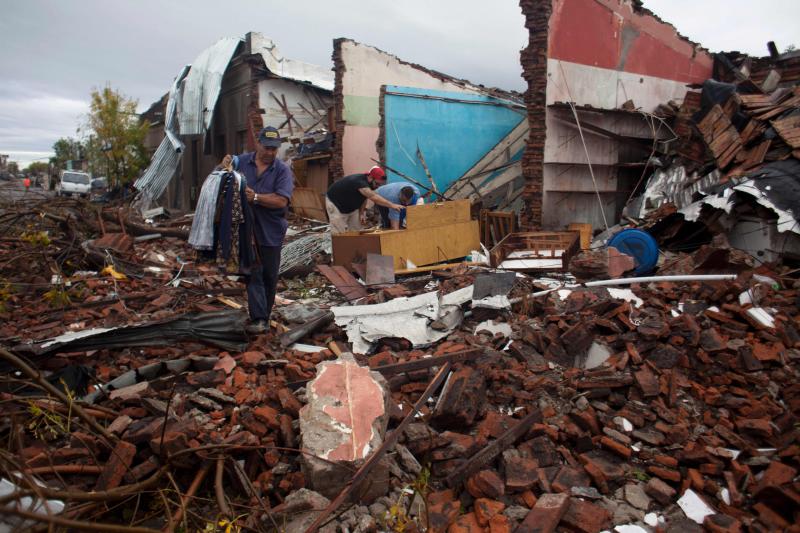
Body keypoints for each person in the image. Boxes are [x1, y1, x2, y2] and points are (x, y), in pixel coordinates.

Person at [220, 126, 294, 334]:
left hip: (271, 230)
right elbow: (221, 173)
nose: (270, 152)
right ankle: (259, 319)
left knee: (270, 276)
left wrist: (256, 197)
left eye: (274, 149)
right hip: (246, 230)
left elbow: (281, 200)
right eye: (267, 147)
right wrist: (223, 163)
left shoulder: (282, 170)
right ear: (258, 143)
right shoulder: (241, 162)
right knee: (253, 273)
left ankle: (265, 314)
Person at [325, 166, 404, 234]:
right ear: (370, 177)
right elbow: (374, 197)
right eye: (377, 183)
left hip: (351, 207)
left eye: (380, 184)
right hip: (336, 204)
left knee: (356, 231)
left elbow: (364, 197)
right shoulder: (359, 182)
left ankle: (353, 250)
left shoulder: (369, 184)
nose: (378, 186)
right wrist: (392, 205)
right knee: (339, 234)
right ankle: (340, 251)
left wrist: (361, 213)